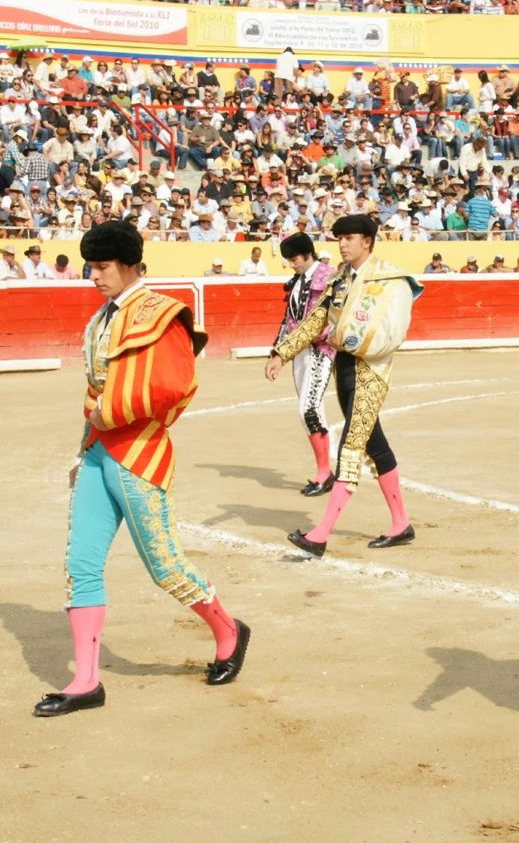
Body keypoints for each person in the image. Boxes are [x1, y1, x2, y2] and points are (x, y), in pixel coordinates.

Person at [35, 220, 249, 718]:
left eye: (103, 267)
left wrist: (107, 416)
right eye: (90, 266)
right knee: (80, 564)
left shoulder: (162, 313)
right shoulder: (101, 320)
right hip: (97, 453)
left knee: (164, 565)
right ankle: (86, 680)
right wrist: (84, 444)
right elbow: (95, 390)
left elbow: (175, 386)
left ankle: (228, 630)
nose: (94, 276)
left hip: (139, 450)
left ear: (130, 265)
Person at [265, 215, 424, 557]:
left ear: (367, 240)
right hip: (346, 372)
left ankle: (321, 534)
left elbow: (389, 335)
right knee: (376, 447)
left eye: (349, 237)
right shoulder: (340, 279)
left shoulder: (389, 279)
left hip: (371, 374)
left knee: (351, 448)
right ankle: (401, 524)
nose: (343, 244)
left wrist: (341, 339)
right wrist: (282, 352)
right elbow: (315, 321)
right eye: (339, 238)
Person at [273, 231, 337, 496]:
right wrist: (276, 352)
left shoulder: (329, 277)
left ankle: (325, 472)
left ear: (307, 253)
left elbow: (328, 320)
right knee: (311, 410)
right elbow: (288, 319)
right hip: (300, 353)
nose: (291, 263)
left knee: (308, 409)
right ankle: (325, 471)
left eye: (294, 258)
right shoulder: (298, 281)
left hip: (321, 351)